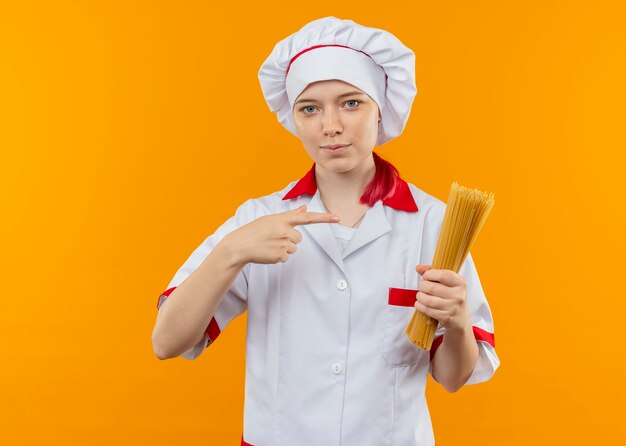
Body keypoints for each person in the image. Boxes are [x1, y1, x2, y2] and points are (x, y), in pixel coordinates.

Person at [151, 16, 499, 446]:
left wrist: (458, 320)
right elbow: (167, 342)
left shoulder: (433, 223)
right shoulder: (256, 219)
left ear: (381, 109)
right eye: (310, 108)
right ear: (293, 117)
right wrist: (231, 252)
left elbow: (452, 377)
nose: (330, 125)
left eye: (351, 103)